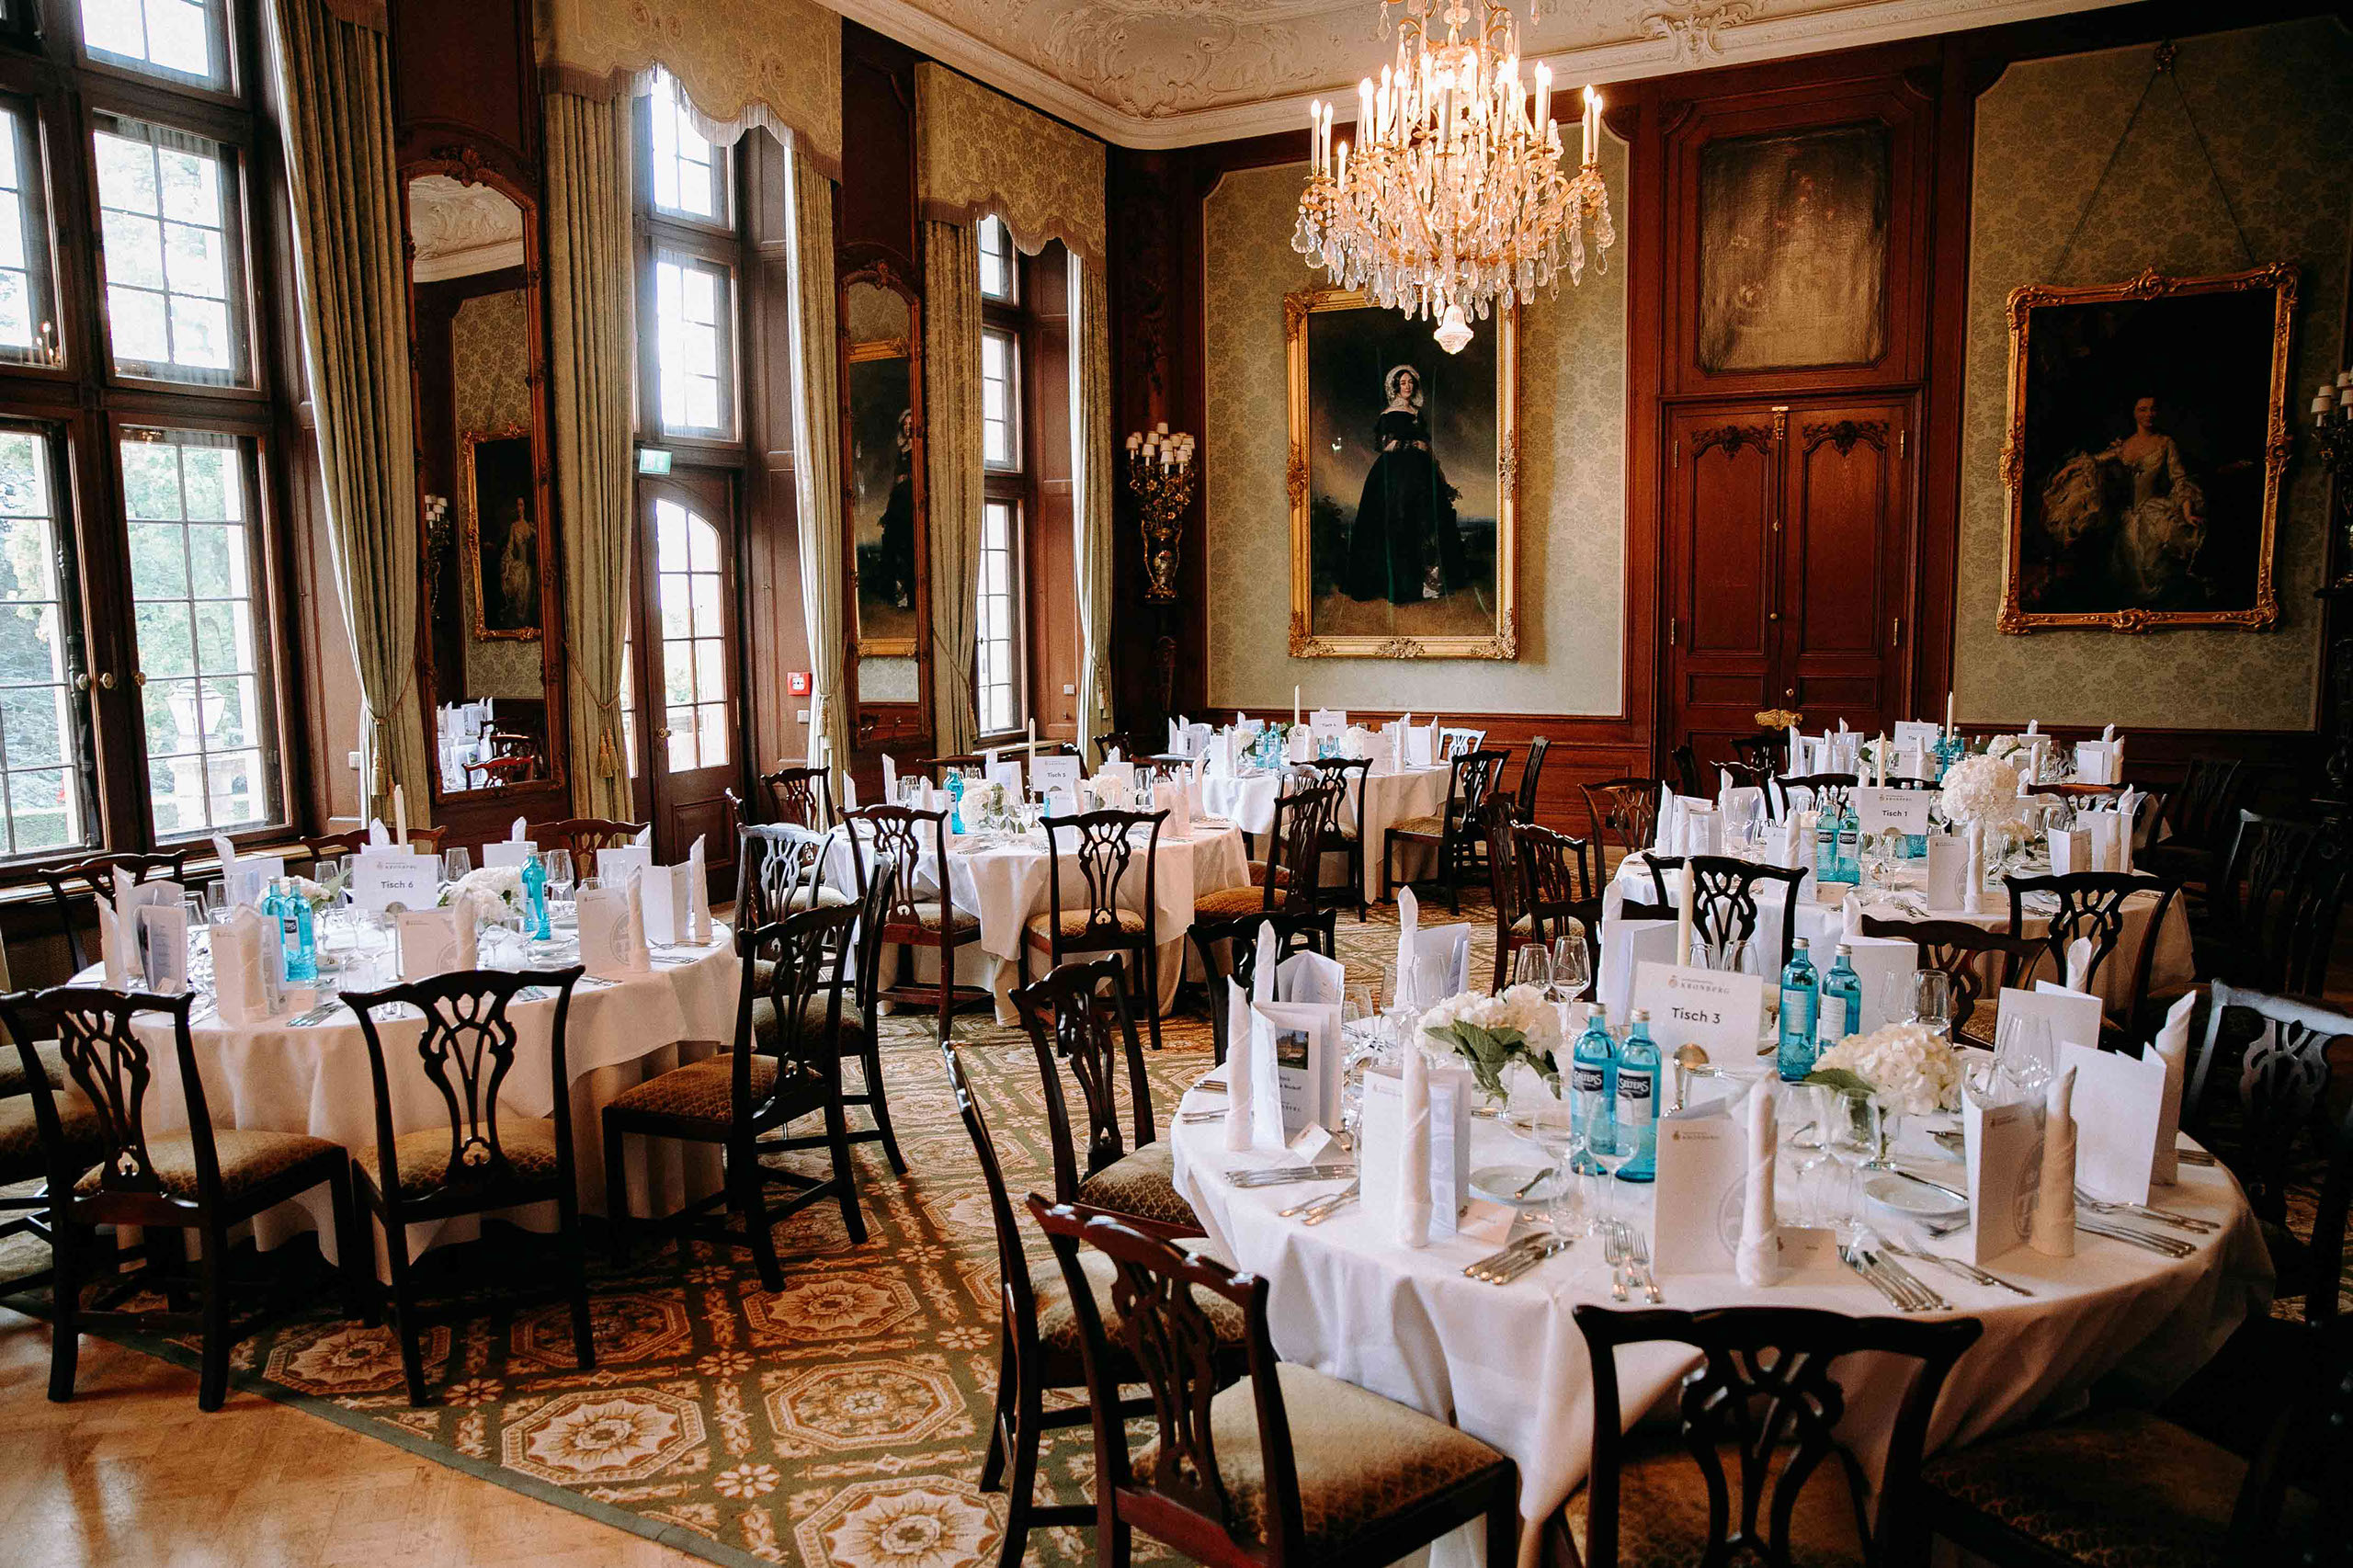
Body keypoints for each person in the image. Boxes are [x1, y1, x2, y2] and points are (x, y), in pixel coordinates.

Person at [2037, 393, 2208, 608]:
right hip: (2128, 516)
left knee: (2155, 568)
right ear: (2134, 413)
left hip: (2155, 513)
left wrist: (2187, 512)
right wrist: (2069, 468)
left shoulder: (2165, 443)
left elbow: (2179, 479)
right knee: (2127, 565)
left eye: (2153, 409)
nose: (2149, 414)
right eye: (2143, 409)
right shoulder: (2125, 446)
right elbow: (2095, 461)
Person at [1341, 364, 1469, 605]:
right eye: (1403, 383)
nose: (1408, 387)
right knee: (1400, 521)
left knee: (1430, 523)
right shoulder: (1389, 414)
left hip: (1422, 472)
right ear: (1395, 387)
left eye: (1411, 382)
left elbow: (1427, 446)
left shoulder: (1417, 413)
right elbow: (1384, 446)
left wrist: (1438, 471)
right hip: (1396, 475)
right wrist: (1413, 446)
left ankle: (1431, 583)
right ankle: (1404, 585)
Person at [872, 408, 917, 611]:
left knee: (908, 550)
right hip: (899, 501)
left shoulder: (919, 449)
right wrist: (887, 511)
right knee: (892, 547)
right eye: (905, 424)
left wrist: (907, 479)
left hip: (911, 500)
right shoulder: (901, 450)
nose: (908, 427)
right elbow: (894, 481)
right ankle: (894, 593)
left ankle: (910, 595)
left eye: (911, 423)